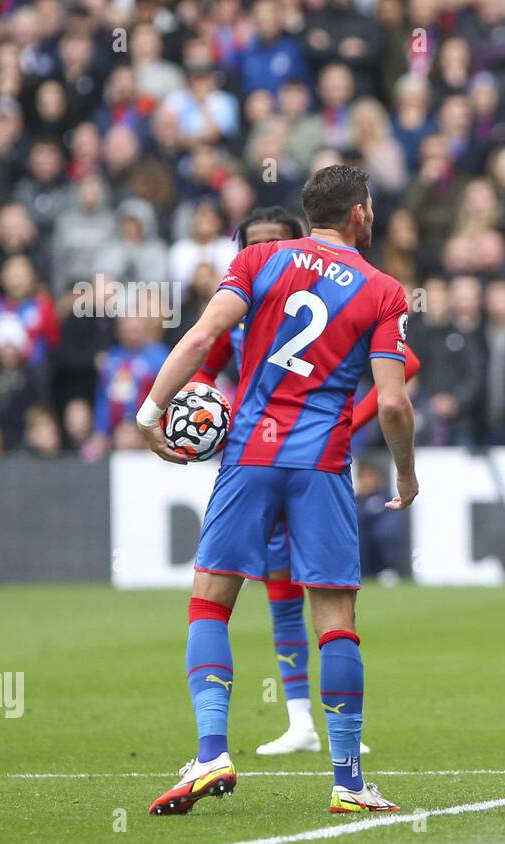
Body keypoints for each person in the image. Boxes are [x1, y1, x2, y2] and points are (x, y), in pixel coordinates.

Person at [137, 164, 418, 816]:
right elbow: (395, 404)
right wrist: (404, 470)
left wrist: (150, 414)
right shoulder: (382, 290)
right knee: (337, 624)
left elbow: (204, 337)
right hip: (322, 464)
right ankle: (348, 781)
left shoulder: (260, 259)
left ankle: (212, 752)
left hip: (250, 456)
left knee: (210, 604)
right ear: (359, 213)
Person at [190, 206, 422, 758]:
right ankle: (302, 723)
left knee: (306, 595)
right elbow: (206, 368)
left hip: (294, 452)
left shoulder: (305, 287)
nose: (266, 247)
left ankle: (261, 740)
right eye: (256, 241)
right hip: (276, 453)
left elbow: (404, 366)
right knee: (280, 585)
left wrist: (351, 419)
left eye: (276, 240)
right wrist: (210, 413)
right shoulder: (244, 309)